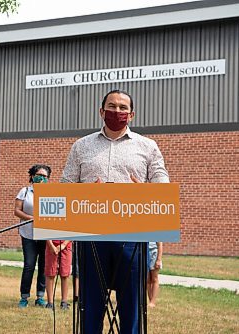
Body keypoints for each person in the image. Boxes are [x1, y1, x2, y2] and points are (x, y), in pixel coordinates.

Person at [61, 89, 170, 334]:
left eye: (123, 108)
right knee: (90, 305)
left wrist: (144, 190)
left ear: (131, 115)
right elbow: (65, 187)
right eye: (112, 106)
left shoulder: (148, 146)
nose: (117, 112)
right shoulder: (81, 146)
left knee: (131, 302)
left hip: (132, 237)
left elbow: (163, 186)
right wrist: (87, 193)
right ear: (101, 111)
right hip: (91, 236)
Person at [14, 164, 50, 308]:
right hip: (28, 233)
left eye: (45, 176)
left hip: (44, 233)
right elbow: (17, 211)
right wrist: (30, 218)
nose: (41, 178)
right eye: (39, 175)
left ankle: (40, 296)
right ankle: (24, 297)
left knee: (43, 265)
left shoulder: (51, 193)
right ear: (32, 176)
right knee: (29, 265)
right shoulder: (25, 191)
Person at [44, 239, 72, 310]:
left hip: (66, 245)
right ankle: (50, 302)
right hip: (51, 245)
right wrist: (51, 245)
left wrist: (64, 245)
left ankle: (64, 302)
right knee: (50, 273)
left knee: (65, 274)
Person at [148, 242, 163, 307]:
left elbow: (160, 245)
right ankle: (150, 300)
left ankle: (153, 301)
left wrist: (158, 260)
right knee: (147, 280)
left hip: (154, 254)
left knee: (154, 279)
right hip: (145, 253)